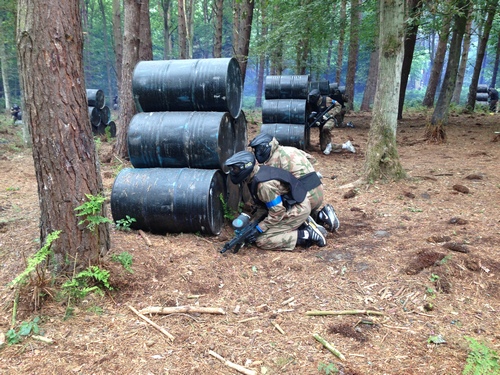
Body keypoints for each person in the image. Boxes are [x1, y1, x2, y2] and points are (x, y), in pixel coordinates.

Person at [225, 150, 327, 251]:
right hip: (293, 204)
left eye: (235, 169)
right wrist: (253, 224)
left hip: (298, 208)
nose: (233, 172)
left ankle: (307, 234)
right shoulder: (258, 173)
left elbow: (277, 212)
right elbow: (264, 206)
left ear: (245, 168)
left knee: (263, 240)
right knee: (261, 228)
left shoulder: (264, 186)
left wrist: (259, 229)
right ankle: (306, 222)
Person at [248, 133, 340, 232]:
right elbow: (312, 159)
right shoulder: (290, 149)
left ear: (267, 147)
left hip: (306, 197)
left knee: (276, 208)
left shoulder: (273, 162)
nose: (257, 153)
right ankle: (321, 215)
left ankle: (307, 226)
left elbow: (270, 187)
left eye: (258, 149)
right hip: (318, 189)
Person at [307, 89, 356, 155]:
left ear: (317, 96)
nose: (311, 99)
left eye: (313, 97)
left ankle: (329, 146)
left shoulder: (327, 100)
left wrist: (329, 114)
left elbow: (338, 106)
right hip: (321, 121)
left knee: (326, 128)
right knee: (324, 148)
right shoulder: (311, 103)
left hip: (330, 119)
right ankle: (346, 146)